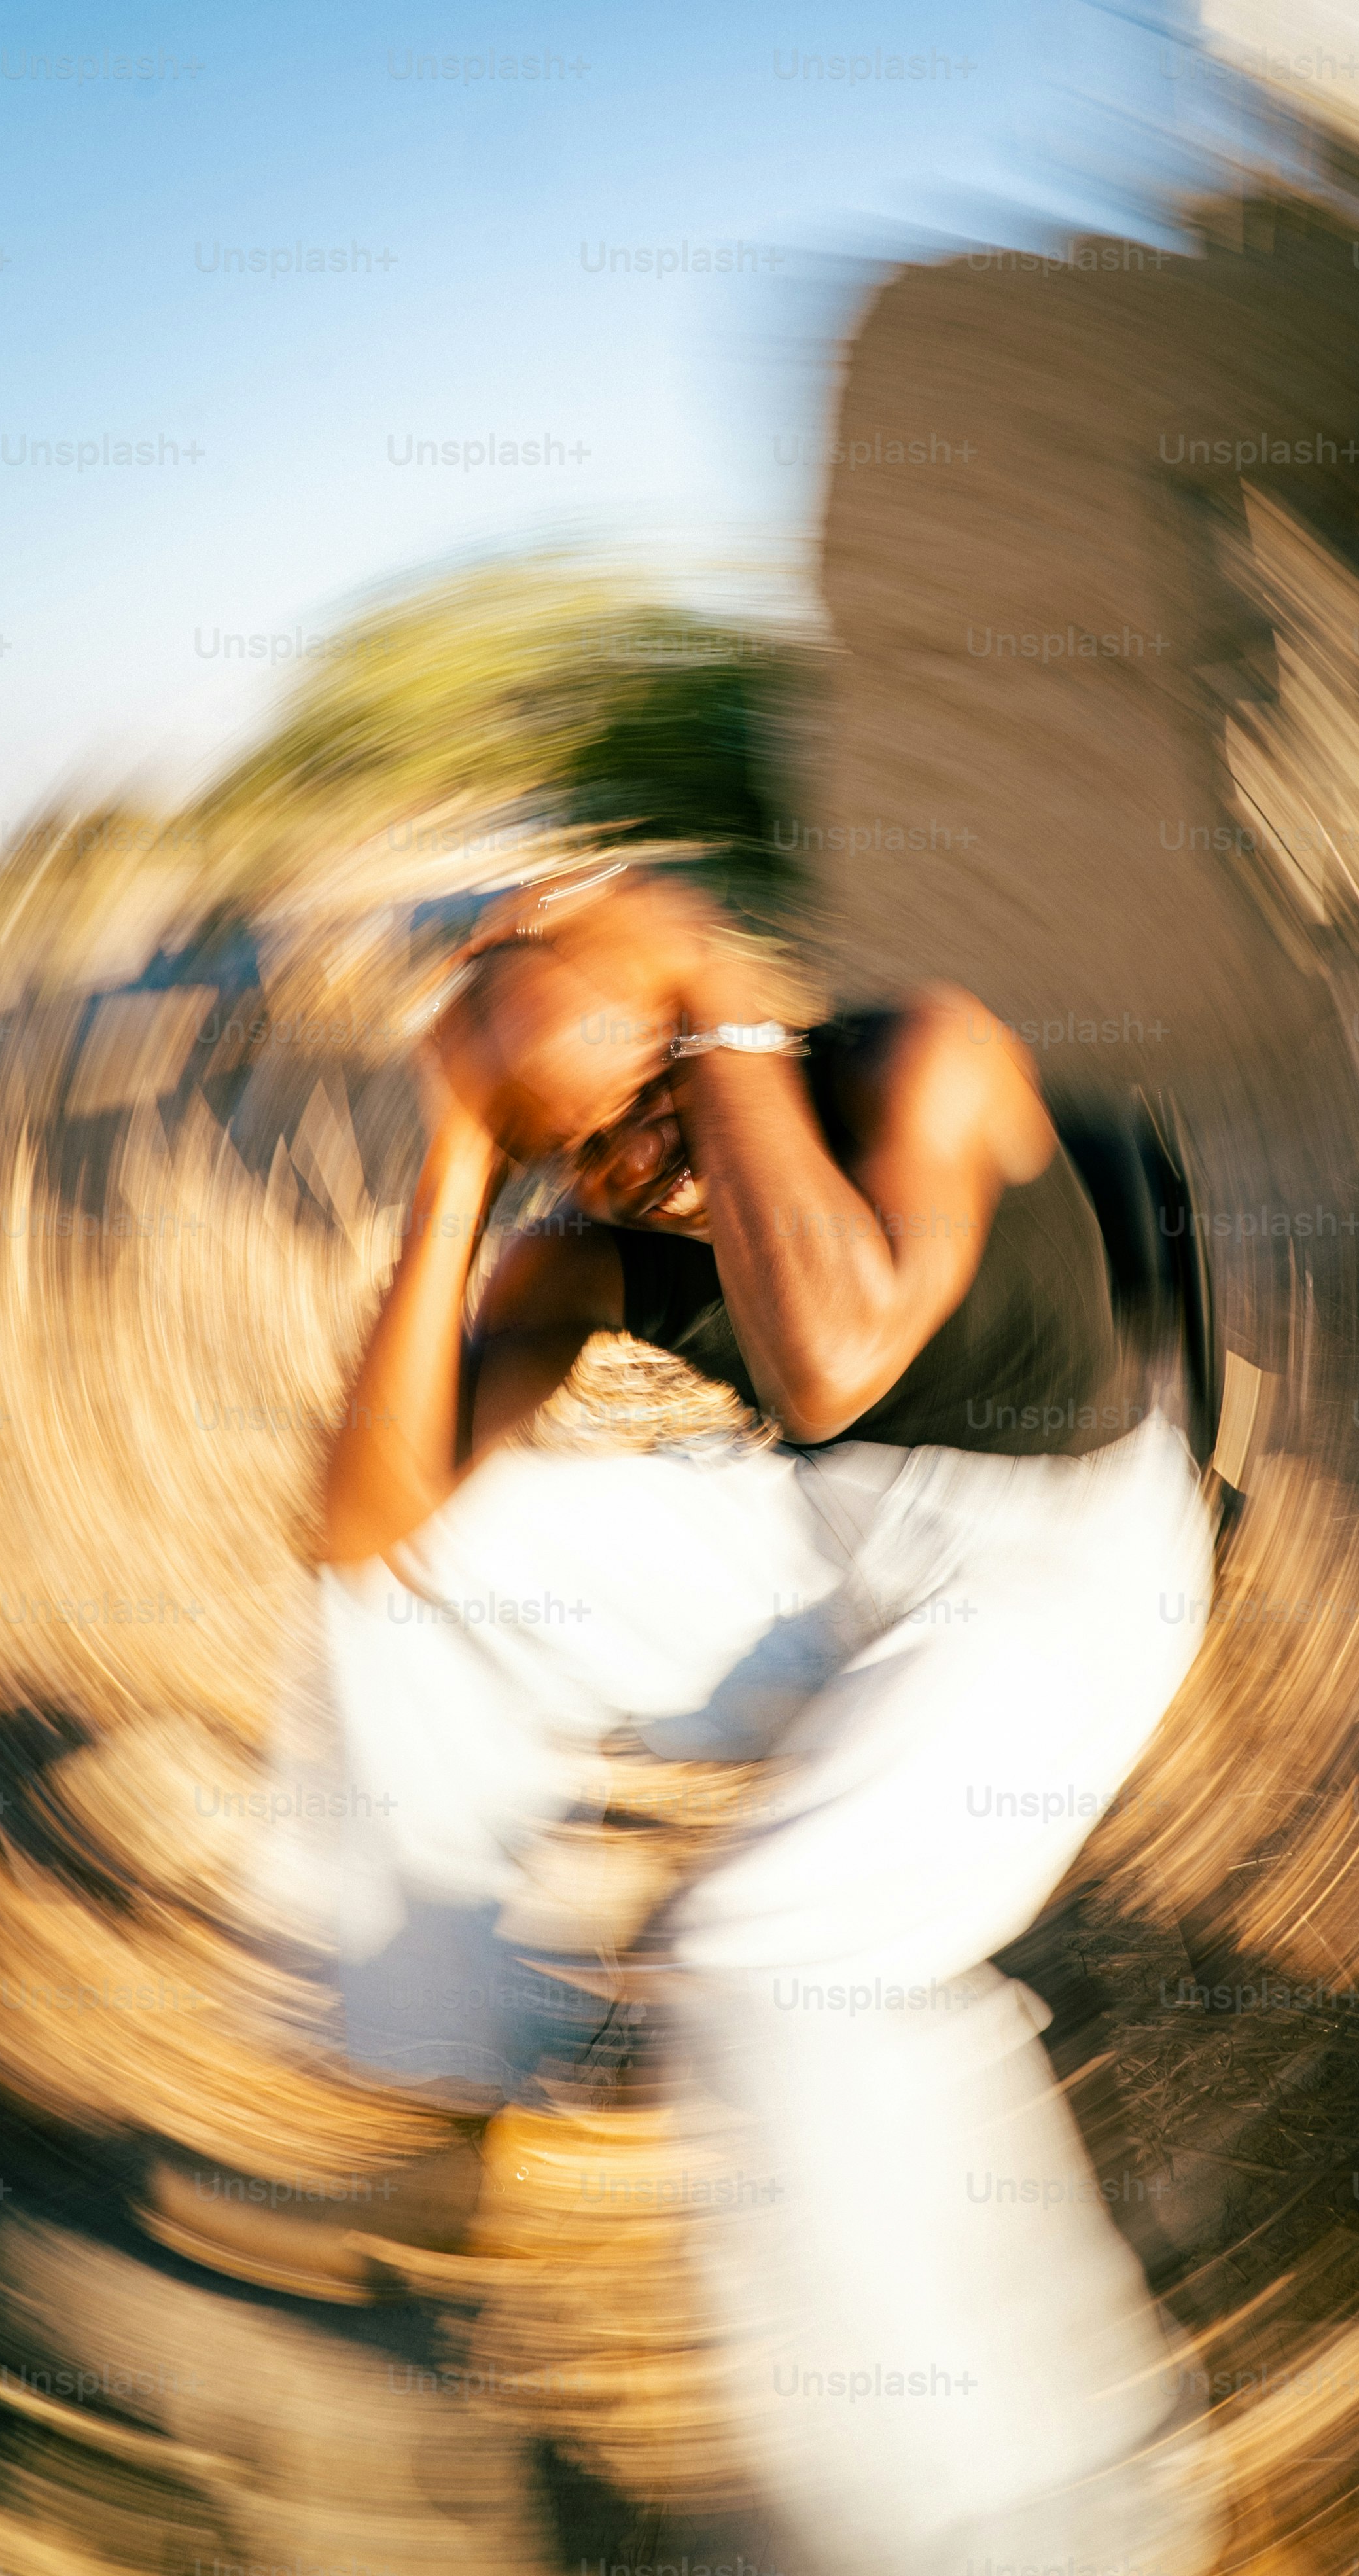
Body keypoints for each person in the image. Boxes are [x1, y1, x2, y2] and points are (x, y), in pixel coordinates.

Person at [313, 864, 1220, 2576]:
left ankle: (1025, 2525)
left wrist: (707, 998)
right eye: (577, 1143)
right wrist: (459, 1149)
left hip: (1067, 1564)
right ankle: (458, 2073)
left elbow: (832, 1359)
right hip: (833, 1544)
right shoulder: (592, 1243)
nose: (632, 1159)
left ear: (705, 1024)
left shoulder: (919, 1061)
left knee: (777, 1960)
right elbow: (365, 1529)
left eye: (646, 1093)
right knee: (427, 1588)